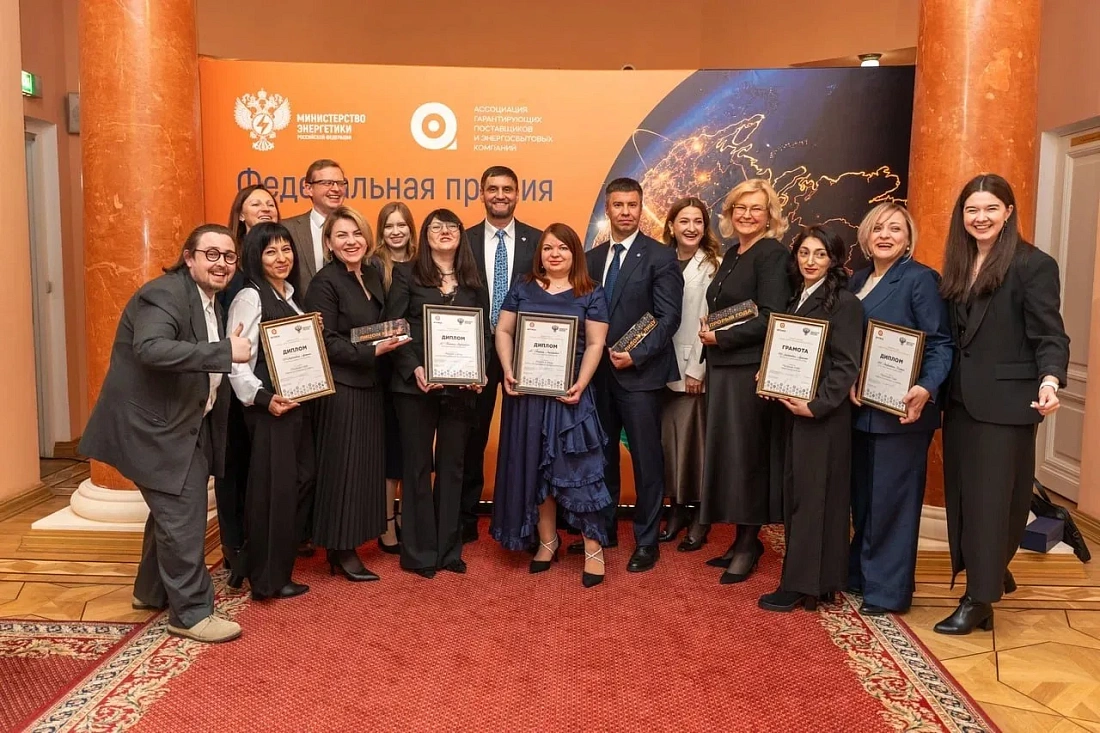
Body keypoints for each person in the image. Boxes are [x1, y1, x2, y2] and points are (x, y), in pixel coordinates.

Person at [79, 224, 250, 643]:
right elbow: (151, 348)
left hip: (182, 423)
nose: (222, 263)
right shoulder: (165, 293)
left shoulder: (209, 300)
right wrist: (225, 352)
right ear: (189, 257)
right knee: (183, 516)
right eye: (211, 254)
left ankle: (150, 591)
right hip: (153, 430)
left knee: (170, 514)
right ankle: (190, 614)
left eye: (229, 256)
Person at [934, 174, 1069, 635]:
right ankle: (987, 576)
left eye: (991, 208)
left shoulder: (1034, 264)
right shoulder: (959, 262)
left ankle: (978, 598)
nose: (981, 217)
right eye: (972, 209)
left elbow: (1050, 334)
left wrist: (1050, 380)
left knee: (995, 502)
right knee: (965, 500)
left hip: (1008, 405)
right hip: (960, 402)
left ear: (1008, 212)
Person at [490, 223, 612, 587]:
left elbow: (596, 343)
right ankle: (547, 541)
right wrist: (508, 369)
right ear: (539, 254)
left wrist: (581, 383)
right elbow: (504, 331)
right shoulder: (523, 287)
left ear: (575, 253)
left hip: (569, 396)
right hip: (527, 395)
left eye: (562, 248)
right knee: (535, 469)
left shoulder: (590, 291)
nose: (554, 254)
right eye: (547, 248)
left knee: (578, 470)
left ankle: (593, 549)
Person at [847, 203, 953, 616]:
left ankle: (888, 591)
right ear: (865, 236)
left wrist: (925, 388)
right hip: (860, 410)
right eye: (877, 228)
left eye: (895, 229)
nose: (885, 235)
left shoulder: (920, 279)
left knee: (892, 502)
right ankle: (860, 574)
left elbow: (941, 343)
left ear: (908, 239)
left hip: (902, 412)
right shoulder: (858, 280)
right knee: (864, 499)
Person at [578, 178, 683, 573]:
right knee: (601, 457)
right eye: (618, 205)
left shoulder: (660, 256)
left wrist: (635, 355)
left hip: (640, 376)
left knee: (646, 460)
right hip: (598, 378)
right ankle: (602, 531)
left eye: (632, 205)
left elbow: (668, 316)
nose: (625, 211)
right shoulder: (590, 258)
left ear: (641, 208)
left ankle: (646, 541)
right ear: (607, 209)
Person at [758, 226, 863, 612]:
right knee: (805, 496)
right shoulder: (796, 298)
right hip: (795, 413)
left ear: (833, 259)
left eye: (819, 254)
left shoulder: (845, 304)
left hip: (822, 418)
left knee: (814, 501)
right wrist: (768, 374)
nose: (810, 261)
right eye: (804, 253)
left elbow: (847, 365)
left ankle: (799, 584)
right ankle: (823, 581)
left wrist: (817, 406)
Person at [384, 209, 488, 578]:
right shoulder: (406, 274)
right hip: (415, 387)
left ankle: (448, 549)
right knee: (416, 467)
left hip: (460, 390)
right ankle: (419, 552)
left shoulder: (474, 280)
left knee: (452, 467)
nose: (444, 232)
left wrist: (479, 370)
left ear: (461, 234)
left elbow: (483, 333)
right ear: (425, 235)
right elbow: (394, 329)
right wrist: (414, 368)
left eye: (451, 226)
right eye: (435, 226)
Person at [304, 206, 406, 582]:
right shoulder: (324, 283)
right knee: (342, 469)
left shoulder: (371, 273)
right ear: (329, 243)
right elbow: (325, 340)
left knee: (362, 469)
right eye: (341, 236)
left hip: (370, 385)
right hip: (341, 389)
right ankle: (340, 549)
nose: (351, 241)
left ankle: (349, 542)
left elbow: (376, 326)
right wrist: (371, 352)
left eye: (357, 233)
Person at [697, 179, 791, 584]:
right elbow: (734, 308)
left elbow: (772, 316)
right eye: (740, 207)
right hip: (723, 368)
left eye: (756, 208)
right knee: (731, 457)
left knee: (748, 456)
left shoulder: (772, 254)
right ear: (730, 213)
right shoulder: (735, 252)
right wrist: (713, 333)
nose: (747, 215)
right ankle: (739, 540)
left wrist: (721, 338)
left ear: (770, 216)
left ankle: (751, 544)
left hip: (747, 369)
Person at [226, 222, 314, 600]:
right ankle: (267, 581)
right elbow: (236, 361)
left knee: (300, 481)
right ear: (255, 257)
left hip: (295, 406)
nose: (282, 258)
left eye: (286, 249)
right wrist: (262, 399)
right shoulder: (250, 296)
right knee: (273, 493)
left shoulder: (291, 295)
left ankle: (253, 565)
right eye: (271, 251)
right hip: (269, 409)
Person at [462, 166, 541, 543]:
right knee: (471, 436)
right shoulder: (463, 240)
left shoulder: (537, 241)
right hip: (473, 352)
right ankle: (464, 518)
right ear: (481, 193)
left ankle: (524, 519)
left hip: (525, 353)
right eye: (492, 188)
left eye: (507, 189)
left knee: (523, 436)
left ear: (517, 193)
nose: (500, 195)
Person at [216, 184, 281, 586]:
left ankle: (254, 547)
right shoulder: (230, 266)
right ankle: (234, 548)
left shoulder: (275, 273)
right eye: (256, 203)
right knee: (234, 467)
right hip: (232, 381)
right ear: (240, 214)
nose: (265, 208)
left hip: (261, 388)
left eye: (271, 203)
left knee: (256, 471)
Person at [656, 197, 721, 552]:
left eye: (698, 221)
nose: (691, 228)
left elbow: (712, 321)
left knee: (695, 448)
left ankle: (700, 517)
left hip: (690, 370)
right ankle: (677, 510)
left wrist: (698, 368)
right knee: (670, 447)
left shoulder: (713, 266)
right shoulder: (660, 259)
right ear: (671, 225)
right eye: (684, 221)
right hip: (659, 369)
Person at [373, 201, 418, 553]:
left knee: (410, 448)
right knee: (390, 450)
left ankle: (403, 516)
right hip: (381, 368)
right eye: (389, 226)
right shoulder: (373, 265)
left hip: (414, 368)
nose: (396, 231)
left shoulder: (422, 263)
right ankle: (386, 523)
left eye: (402, 225)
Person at [283, 159, 348, 296]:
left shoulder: (357, 230)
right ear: (309, 189)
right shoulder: (288, 229)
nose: (336, 189)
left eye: (341, 183)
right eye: (327, 183)